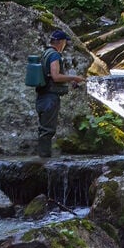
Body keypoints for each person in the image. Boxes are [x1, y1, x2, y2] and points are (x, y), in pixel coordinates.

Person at [35, 28, 85, 157]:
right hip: (50, 98)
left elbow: (49, 76)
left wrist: (68, 82)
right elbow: (56, 76)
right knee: (47, 130)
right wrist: (74, 78)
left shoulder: (45, 53)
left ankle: (43, 157)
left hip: (41, 96)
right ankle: (44, 160)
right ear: (61, 42)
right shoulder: (55, 55)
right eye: (65, 42)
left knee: (43, 128)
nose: (65, 45)